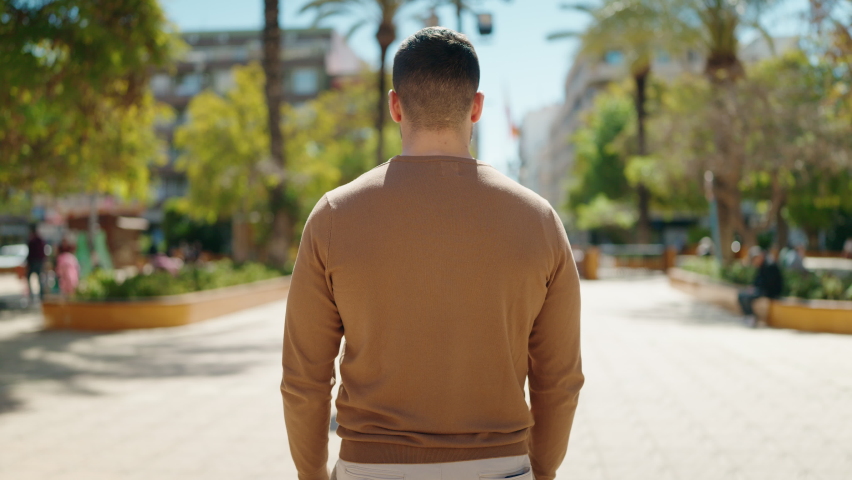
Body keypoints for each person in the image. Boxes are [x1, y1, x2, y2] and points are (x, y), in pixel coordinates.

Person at [282, 27, 584, 480]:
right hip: (501, 466)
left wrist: (311, 474)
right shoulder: (539, 220)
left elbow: (304, 380)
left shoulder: (333, 216)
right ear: (476, 107)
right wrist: (539, 471)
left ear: (394, 106)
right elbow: (559, 380)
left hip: (370, 468)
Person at [738, 247, 784, 328]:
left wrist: (756, 288)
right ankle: (749, 316)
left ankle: (751, 317)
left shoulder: (770, 265)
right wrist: (753, 287)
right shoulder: (762, 265)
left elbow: (769, 283)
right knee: (741, 295)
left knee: (746, 297)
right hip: (763, 289)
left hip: (770, 291)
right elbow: (757, 280)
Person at [25, 224, 47, 303]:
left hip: (34, 262)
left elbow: (30, 253)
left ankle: (34, 295)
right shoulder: (39, 240)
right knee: (39, 278)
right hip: (38, 261)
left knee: (34, 278)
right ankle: (40, 295)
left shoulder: (33, 240)